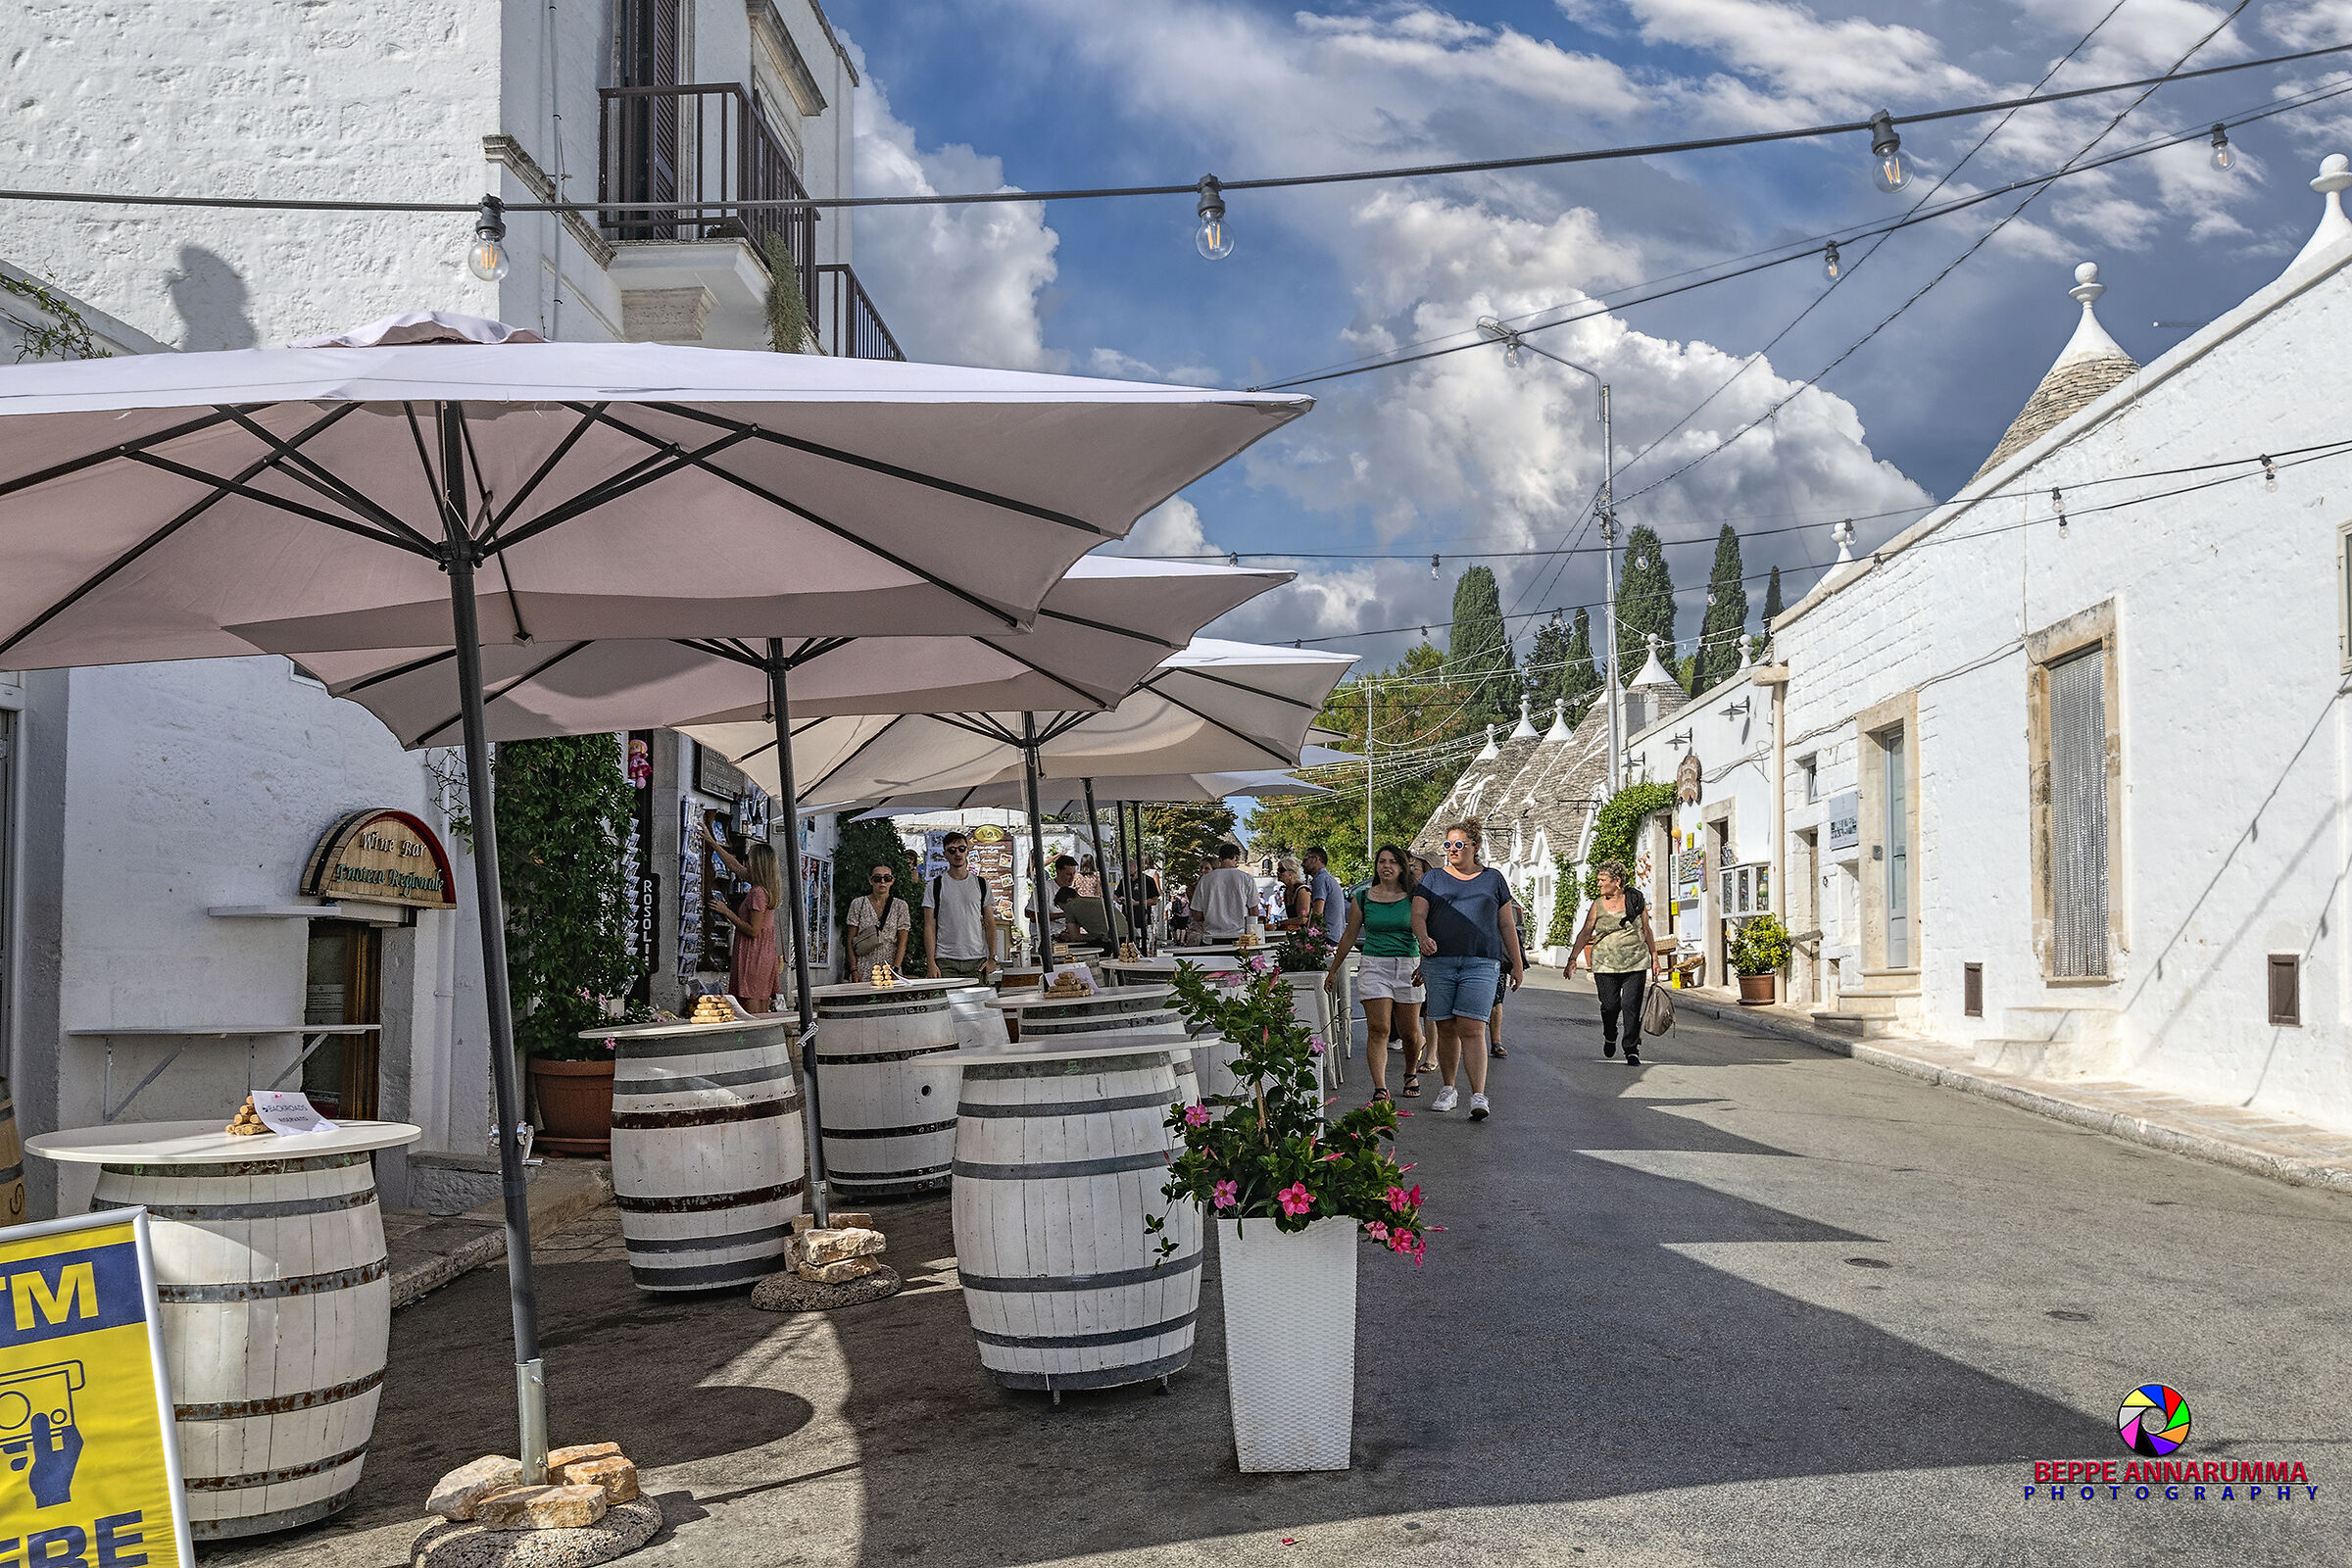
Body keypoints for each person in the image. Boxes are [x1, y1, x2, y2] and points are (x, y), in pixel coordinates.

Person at [1410, 817, 1524, 1121]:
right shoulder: (1433, 879)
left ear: (1474, 847)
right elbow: (1418, 915)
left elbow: (1505, 923)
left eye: (1459, 844)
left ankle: (1478, 1095)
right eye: (1447, 845)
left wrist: (1517, 962)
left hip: (1482, 961)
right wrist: (1423, 939)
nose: (1452, 850)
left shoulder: (1493, 879)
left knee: (1472, 1027)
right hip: (1440, 962)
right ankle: (1449, 1089)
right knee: (1446, 1027)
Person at [1326, 844, 1422, 1102]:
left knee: (1410, 1033)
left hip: (1408, 966)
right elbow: (1349, 935)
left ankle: (1410, 1072)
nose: (1386, 866)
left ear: (1402, 867)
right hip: (1374, 965)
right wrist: (1334, 969)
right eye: (1381, 861)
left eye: (1392, 861)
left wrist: (1426, 964)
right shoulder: (1364, 897)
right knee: (1378, 1028)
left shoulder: (1415, 896)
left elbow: (1427, 932)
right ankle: (1380, 1087)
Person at [1566, 858, 1664, 1064]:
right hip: (1605, 963)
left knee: (1631, 1006)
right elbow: (1586, 932)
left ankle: (1631, 1049)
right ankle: (1610, 1034)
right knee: (1609, 1006)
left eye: (1602, 880)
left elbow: (1646, 930)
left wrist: (1655, 957)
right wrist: (1572, 959)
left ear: (1617, 881)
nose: (1599, 884)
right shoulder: (1598, 905)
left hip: (1635, 962)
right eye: (1598, 880)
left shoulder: (1635, 900)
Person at [707, 835, 782, 1014]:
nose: (747, 862)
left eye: (750, 858)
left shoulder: (757, 893)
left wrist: (726, 912)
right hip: (765, 954)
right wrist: (712, 842)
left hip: (753, 955)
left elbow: (753, 930)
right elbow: (734, 866)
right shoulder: (766, 888)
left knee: (750, 1005)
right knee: (760, 1002)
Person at [922, 831, 998, 982]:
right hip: (945, 959)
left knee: (979, 1005)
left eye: (962, 849)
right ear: (945, 854)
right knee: (947, 1005)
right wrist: (931, 961)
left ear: (967, 851)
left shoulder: (981, 884)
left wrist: (992, 958)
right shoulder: (935, 886)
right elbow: (929, 925)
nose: (958, 854)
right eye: (952, 850)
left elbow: (990, 923)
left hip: (977, 960)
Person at [848, 859, 910, 973]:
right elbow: (850, 940)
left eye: (887, 878)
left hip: (889, 968)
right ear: (871, 881)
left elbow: (902, 942)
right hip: (863, 968)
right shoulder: (858, 904)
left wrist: (895, 968)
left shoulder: (900, 906)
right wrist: (853, 970)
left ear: (892, 881)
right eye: (877, 878)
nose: (882, 882)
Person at [1191, 842, 1260, 941]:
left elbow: (1197, 915)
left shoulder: (1205, 880)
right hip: (1239, 936)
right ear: (1236, 858)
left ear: (1220, 858)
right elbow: (1254, 912)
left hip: (1211, 937)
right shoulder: (1246, 879)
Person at [1303, 847, 1347, 944]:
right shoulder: (1328, 878)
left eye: (1305, 859)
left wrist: (1306, 937)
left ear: (1315, 860)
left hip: (1327, 936)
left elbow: (1318, 913)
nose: (1303, 864)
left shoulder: (1320, 879)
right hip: (1336, 935)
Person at [1275, 857, 1311, 929]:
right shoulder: (1287, 891)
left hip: (1305, 934)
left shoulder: (1302, 890)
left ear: (1291, 873)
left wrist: (1281, 923)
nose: (1278, 873)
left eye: (1281, 870)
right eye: (1278, 870)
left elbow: (1303, 919)